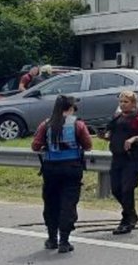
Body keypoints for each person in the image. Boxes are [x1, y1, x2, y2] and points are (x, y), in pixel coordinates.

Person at [30, 94, 92, 253]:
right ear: (70, 108)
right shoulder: (78, 125)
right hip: (72, 169)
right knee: (68, 203)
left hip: (51, 169)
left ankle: (52, 239)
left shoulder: (46, 124)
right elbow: (88, 145)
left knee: (51, 203)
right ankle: (64, 241)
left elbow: (35, 146)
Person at [106, 90, 138, 235]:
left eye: (126, 102)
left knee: (127, 189)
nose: (122, 105)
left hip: (133, 158)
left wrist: (135, 138)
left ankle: (126, 220)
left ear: (133, 103)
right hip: (117, 157)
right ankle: (131, 214)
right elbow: (111, 134)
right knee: (116, 189)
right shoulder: (117, 117)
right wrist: (106, 136)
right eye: (121, 102)